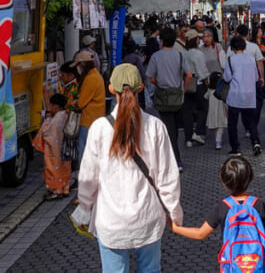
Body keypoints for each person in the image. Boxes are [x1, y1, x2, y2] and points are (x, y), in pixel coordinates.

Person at [72, 64, 184, 273]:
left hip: (110, 220)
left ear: (111, 89)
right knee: (151, 269)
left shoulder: (99, 128)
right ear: (141, 88)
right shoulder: (155, 126)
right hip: (148, 216)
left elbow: (88, 177)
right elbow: (167, 177)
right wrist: (174, 212)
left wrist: (84, 210)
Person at [171, 155, 265, 263]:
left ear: (224, 182)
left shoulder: (222, 207)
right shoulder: (259, 205)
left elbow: (200, 234)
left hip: (233, 264)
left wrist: (176, 228)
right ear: (251, 178)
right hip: (256, 263)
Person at [146, 27, 193, 169]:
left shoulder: (156, 56)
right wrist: (183, 89)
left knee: (169, 129)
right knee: (175, 129)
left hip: (163, 97)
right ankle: (175, 158)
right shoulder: (180, 55)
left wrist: (159, 83)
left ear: (161, 41)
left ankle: (174, 161)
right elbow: (189, 75)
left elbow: (151, 77)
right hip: (178, 97)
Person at [224, 36, 262, 157]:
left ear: (232, 47)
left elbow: (227, 78)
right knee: (251, 121)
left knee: (232, 123)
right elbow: (256, 77)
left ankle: (235, 148)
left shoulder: (230, 60)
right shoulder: (251, 59)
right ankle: (255, 142)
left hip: (235, 95)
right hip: (250, 94)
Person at [33, 93, 72, 198]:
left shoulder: (56, 119)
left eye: (50, 105)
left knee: (54, 168)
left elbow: (47, 132)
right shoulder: (65, 115)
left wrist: (46, 121)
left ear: (55, 106)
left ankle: (57, 190)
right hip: (65, 148)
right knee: (65, 167)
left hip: (54, 150)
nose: (49, 108)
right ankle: (65, 188)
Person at [73, 51, 107, 165]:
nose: (77, 68)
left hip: (88, 120)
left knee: (84, 151)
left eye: (78, 65)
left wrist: (75, 103)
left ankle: (83, 176)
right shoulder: (96, 75)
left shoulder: (90, 78)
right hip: (96, 118)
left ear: (82, 64)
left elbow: (82, 103)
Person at [202, 27, 228, 150]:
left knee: (221, 111)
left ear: (213, 37)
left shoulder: (218, 48)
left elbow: (224, 64)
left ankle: (218, 139)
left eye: (209, 36)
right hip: (206, 84)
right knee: (210, 111)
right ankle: (215, 135)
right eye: (204, 36)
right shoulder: (200, 50)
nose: (206, 39)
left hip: (219, 84)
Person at [184, 29, 210, 148]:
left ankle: (188, 138)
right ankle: (198, 132)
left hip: (186, 84)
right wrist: (207, 83)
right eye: (198, 38)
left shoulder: (183, 53)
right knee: (203, 109)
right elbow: (203, 72)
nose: (200, 40)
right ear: (195, 40)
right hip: (198, 84)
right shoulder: (198, 54)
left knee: (188, 112)